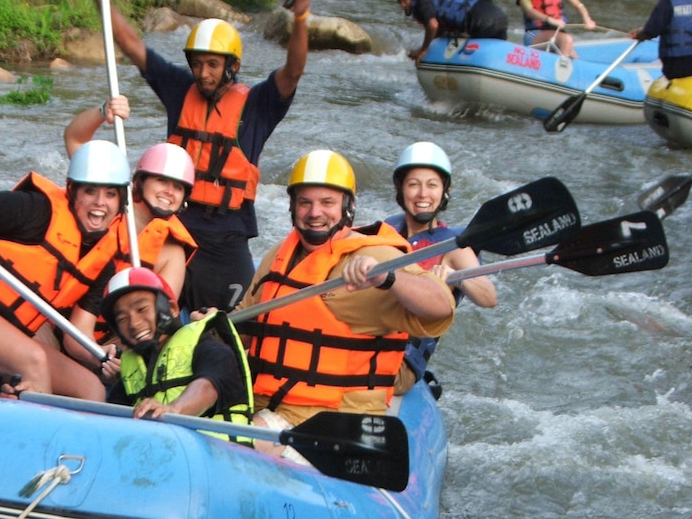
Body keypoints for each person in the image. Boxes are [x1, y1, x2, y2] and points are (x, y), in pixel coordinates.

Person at [69, 0, 313, 313]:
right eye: (197, 64)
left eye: (212, 65)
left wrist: (301, 18)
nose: (203, 73)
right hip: (174, 223)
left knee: (236, 320)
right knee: (153, 314)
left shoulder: (258, 106)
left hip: (228, 237)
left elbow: (294, 70)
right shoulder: (179, 89)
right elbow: (132, 45)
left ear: (233, 66)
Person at [234, 150, 455, 461]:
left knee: (233, 445)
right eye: (305, 202)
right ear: (293, 206)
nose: (315, 212)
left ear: (348, 207)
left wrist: (388, 279)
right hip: (265, 403)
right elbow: (243, 325)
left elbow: (441, 305)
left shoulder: (378, 257)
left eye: (327, 203)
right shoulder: (279, 255)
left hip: (332, 419)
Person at [0, 139, 131, 401]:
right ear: (73, 191)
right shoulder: (34, 209)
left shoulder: (103, 261)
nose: (100, 203)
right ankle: (34, 435)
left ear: (120, 201)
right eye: (90, 192)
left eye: (110, 194)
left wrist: (100, 357)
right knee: (34, 361)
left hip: (6, 329)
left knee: (91, 389)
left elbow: (78, 335)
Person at [384, 142, 497, 396]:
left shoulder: (454, 248)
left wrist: (458, 279)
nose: (422, 194)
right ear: (400, 190)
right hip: (368, 340)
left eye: (432, 185)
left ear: (444, 192)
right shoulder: (385, 231)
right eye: (413, 184)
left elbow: (488, 297)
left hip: (401, 361)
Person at [64, 95, 198, 299]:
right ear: (140, 182)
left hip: (113, 326)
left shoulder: (172, 251)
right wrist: (102, 111)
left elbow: (158, 313)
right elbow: (74, 138)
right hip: (64, 306)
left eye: (178, 187)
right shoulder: (108, 201)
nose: (169, 192)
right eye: (161, 181)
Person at [101, 266, 253, 443]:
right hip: (165, 455)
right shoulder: (130, 369)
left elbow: (207, 387)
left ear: (172, 308)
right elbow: (112, 422)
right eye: (122, 319)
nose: (133, 323)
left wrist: (173, 409)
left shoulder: (209, 347)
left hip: (222, 457)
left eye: (142, 309)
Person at [393, 0, 509, 65]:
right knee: (499, 58)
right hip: (498, 16)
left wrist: (424, 50)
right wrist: (420, 50)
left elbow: (433, 25)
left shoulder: (421, 0)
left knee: (480, 58)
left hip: (480, 21)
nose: (403, 5)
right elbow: (439, 30)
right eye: (399, 1)